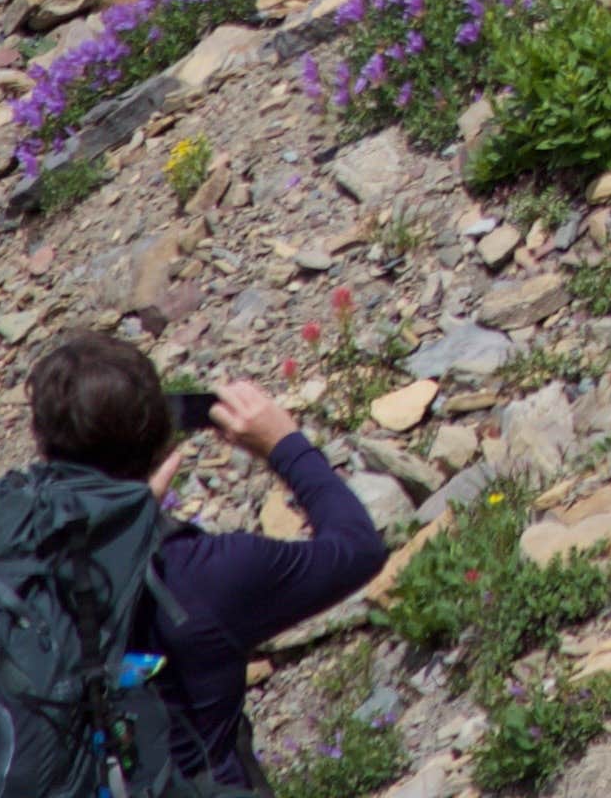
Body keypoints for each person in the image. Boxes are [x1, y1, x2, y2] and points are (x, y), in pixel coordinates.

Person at [23, 328, 387, 791]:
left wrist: (126, 523)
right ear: (161, 445)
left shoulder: (9, 568)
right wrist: (284, 443)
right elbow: (357, 548)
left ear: (45, 449)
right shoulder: (197, 575)